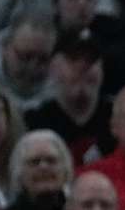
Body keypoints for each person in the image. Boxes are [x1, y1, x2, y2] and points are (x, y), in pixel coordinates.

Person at [25, 30, 115, 165]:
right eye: (73, 59)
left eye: (91, 60)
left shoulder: (118, 119)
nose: (82, 67)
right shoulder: (34, 122)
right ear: (53, 67)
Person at [0, 130, 73, 210]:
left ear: (65, 170)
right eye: (34, 162)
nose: (43, 167)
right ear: (19, 173)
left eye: (51, 160)